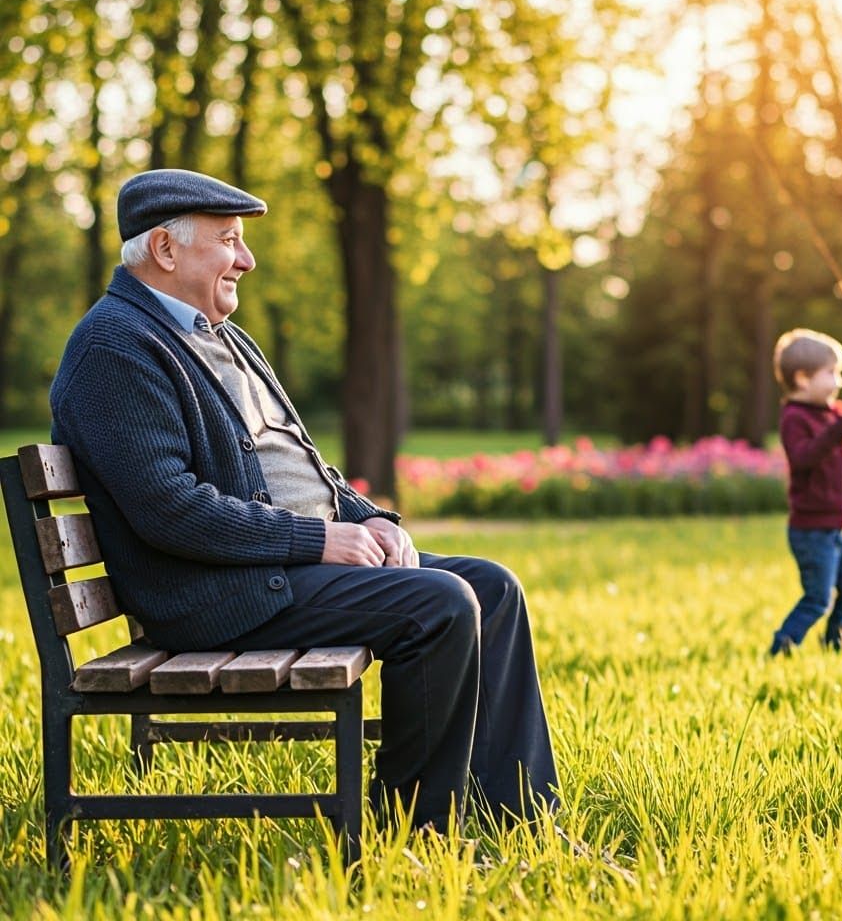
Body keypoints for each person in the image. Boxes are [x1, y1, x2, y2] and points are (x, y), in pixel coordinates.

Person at [49, 168, 558, 832]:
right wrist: (318, 541)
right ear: (166, 251)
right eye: (229, 240)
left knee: (492, 587)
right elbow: (169, 508)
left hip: (277, 572)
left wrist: (368, 518)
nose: (246, 259)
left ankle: (519, 820)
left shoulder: (219, 336)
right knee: (438, 605)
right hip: (217, 595)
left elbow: (302, 463)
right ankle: (420, 830)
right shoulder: (114, 346)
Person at [768, 328, 842, 656]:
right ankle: (779, 652)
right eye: (832, 374)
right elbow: (804, 457)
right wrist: (838, 430)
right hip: (810, 532)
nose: (839, 382)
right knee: (817, 599)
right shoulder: (795, 418)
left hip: (836, 528)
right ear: (803, 379)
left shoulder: (831, 413)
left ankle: (834, 647)